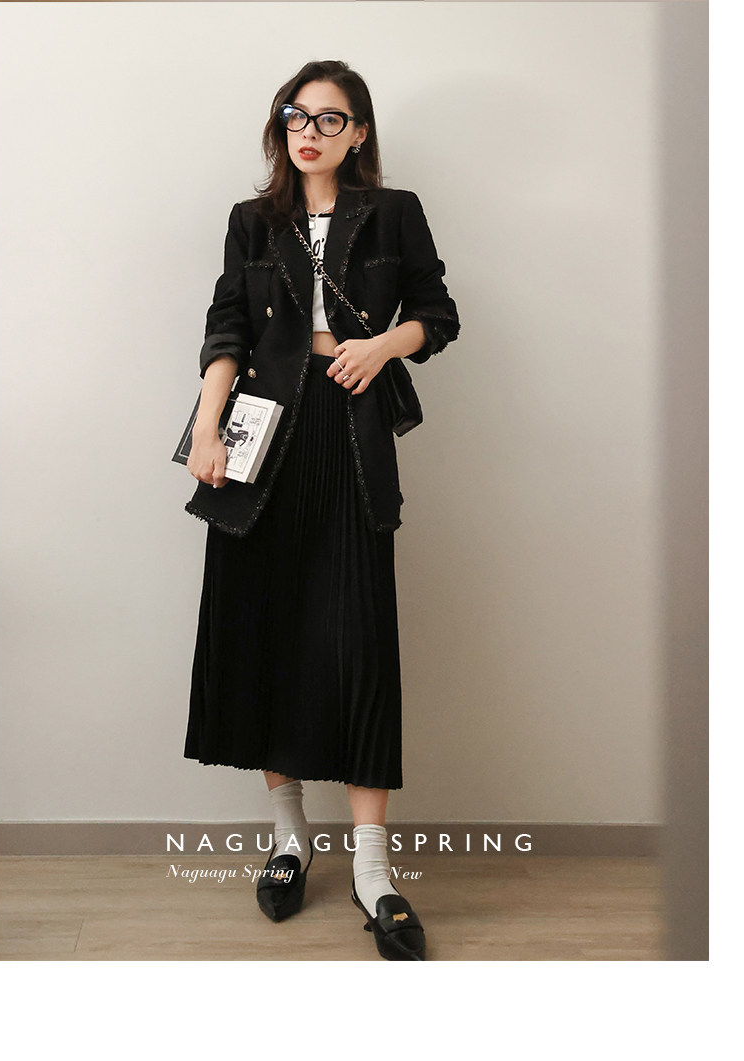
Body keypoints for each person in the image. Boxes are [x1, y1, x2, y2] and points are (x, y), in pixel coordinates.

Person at [183, 60, 460, 961]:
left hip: (349, 439)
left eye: (330, 118)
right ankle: (290, 839)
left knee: (358, 644)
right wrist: (207, 430)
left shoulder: (393, 212)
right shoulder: (251, 220)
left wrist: (380, 347)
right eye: (296, 115)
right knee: (267, 632)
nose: (309, 131)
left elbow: (438, 313)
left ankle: (374, 870)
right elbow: (227, 328)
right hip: (261, 445)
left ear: (359, 132)